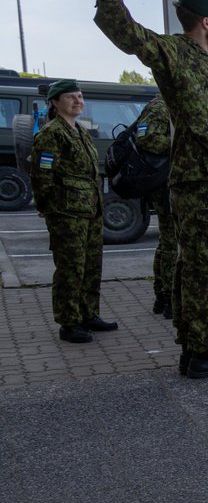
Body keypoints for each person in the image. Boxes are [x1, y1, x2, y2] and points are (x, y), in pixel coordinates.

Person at [75, 0, 208, 377]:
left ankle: (197, 348)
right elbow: (136, 39)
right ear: (206, 21)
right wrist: (111, 0)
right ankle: (203, 349)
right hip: (200, 181)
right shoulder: (175, 51)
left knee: (201, 264)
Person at [29, 79, 117, 343]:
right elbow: (42, 176)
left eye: (80, 96)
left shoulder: (79, 131)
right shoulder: (51, 133)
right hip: (66, 213)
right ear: (55, 103)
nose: (78, 100)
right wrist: (48, 208)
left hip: (89, 211)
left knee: (91, 266)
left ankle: (89, 314)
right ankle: (69, 323)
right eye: (71, 97)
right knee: (70, 269)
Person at [134, 96, 177, 319]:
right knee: (172, 243)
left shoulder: (175, 103)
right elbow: (145, 138)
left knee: (168, 242)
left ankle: (163, 295)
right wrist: (180, 144)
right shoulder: (160, 105)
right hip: (166, 184)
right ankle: (168, 297)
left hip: (174, 182)